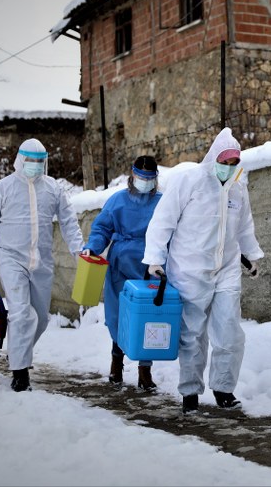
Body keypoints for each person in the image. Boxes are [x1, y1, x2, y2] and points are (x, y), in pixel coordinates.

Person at [143, 127, 263, 414]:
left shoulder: (238, 187)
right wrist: (155, 258)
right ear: (213, 159)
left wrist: (252, 255)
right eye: (225, 162)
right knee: (192, 333)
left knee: (229, 331)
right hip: (190, 269)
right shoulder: (189, 181)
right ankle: (190, 392)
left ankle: (223, 388)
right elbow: (163, 221)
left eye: (235, 163)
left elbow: (244, 226)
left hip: (227, 269)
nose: (229, 168)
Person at [0, 138, 84, 392]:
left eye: (39, 162)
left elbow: (69, 221)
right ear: (20, 160)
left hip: (41, 262)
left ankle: (18, 351)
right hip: (11, 259)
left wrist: (77, 250)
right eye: (30, 161)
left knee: (40, 318)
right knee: (21, 313)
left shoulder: (53, 188)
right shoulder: (3, 187)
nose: (34, 166)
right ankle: (20, 374)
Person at [82, 155, 162, 390]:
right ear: (132, 175)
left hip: (151, 266)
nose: (144, 182)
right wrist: (92, 248)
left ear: (155, 179)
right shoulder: (117, 201)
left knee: (148, 318)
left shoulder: (162, 203)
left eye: (149, 178)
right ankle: (116, 362)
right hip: (121, 266)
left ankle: (144, 371)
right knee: (118, 317)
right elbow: (101, 229)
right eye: (140, 177)